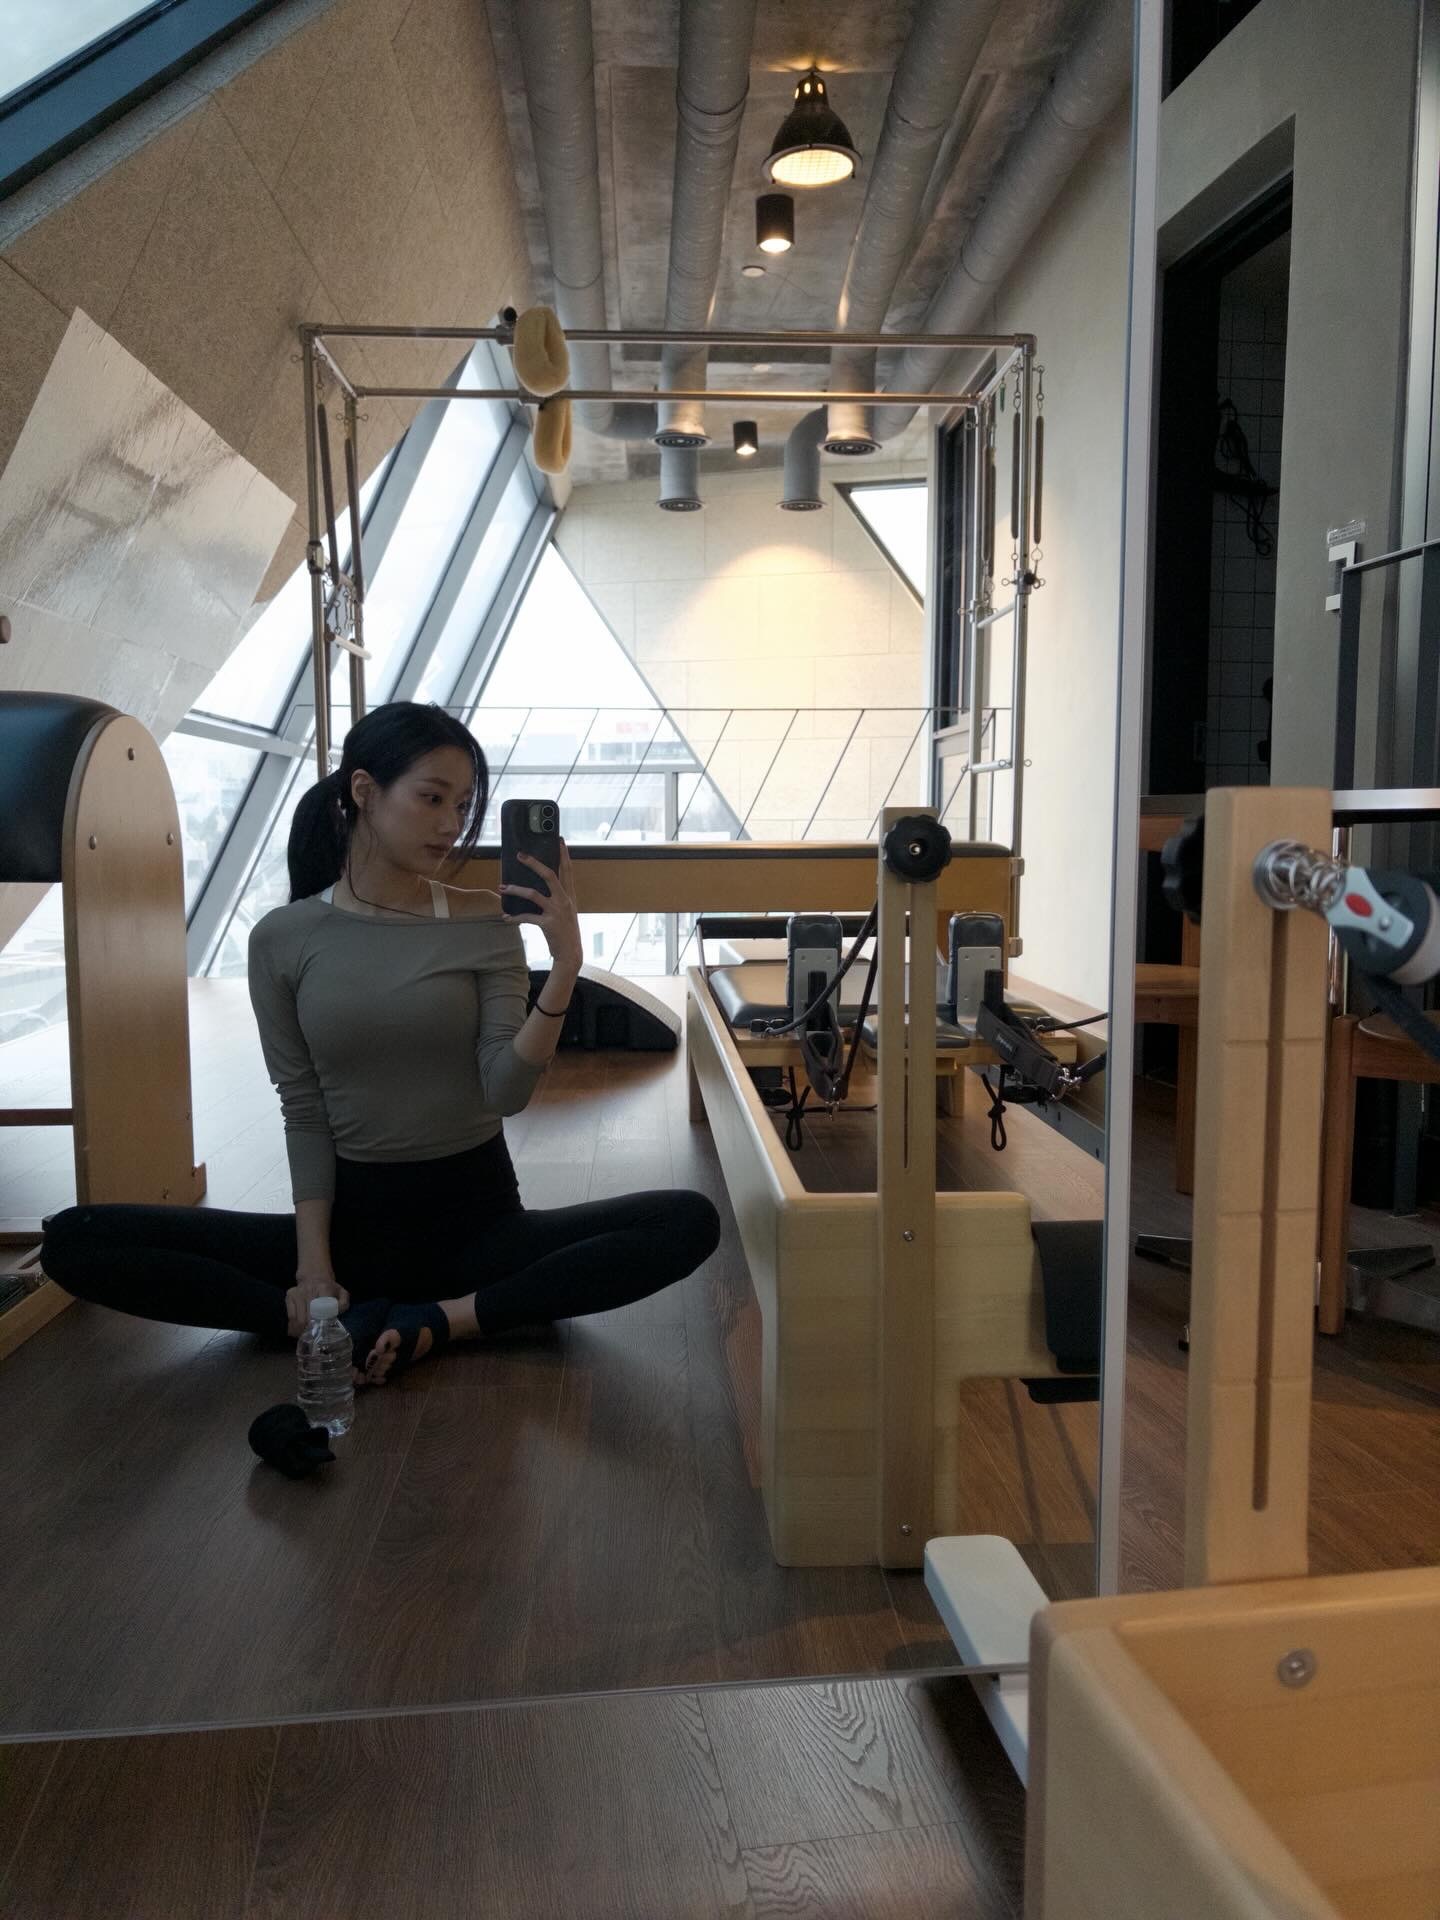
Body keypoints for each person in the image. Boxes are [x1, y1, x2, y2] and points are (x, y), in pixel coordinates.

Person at [41, 702, 720, 1386]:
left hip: (480, 1234)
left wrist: (566, 965)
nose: (452, 824)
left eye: (463, 804)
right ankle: (320, 1321)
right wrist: (313, 1270)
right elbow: (303, 1106)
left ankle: (441, 1321)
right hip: (350, 1237)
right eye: (432, 798)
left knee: (686, 1221)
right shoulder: (283, 938)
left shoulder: (484, 923)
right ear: (365, 792)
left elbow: (506, 1091)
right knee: (77, 1240)